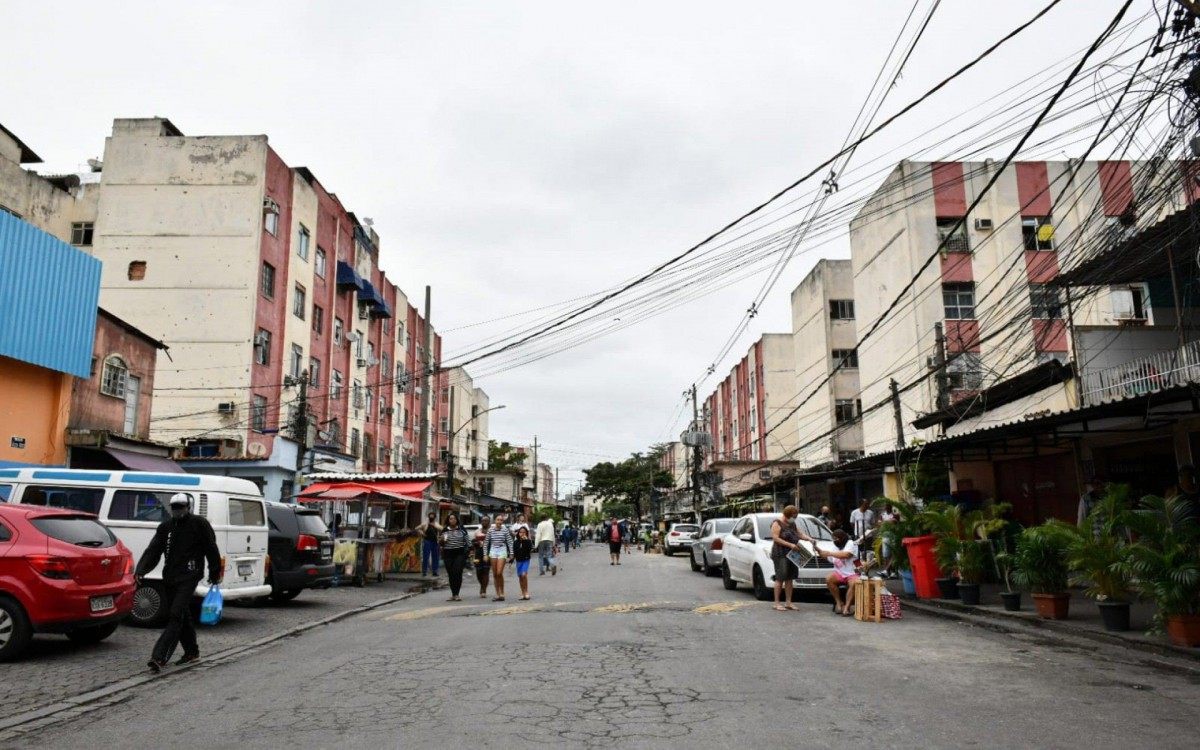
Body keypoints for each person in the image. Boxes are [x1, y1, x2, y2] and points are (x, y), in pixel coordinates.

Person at [135, 493, 221, 673]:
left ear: (188, 507)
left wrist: (215, 572)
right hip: (170, 577)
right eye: (174, 507)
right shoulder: (165, 527)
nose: (178, 511)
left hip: (190, 576)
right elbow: (153, 550)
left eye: (181, 507)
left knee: (175, 614)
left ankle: (159, 657)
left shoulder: (199, 524)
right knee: (182, 615)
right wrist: (141, 570)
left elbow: (211, 548)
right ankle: (192, 652)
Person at [769, 505, 818, 612]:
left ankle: (788, 602)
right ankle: (776, 603)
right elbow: (775, 538)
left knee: (790, 578)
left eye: (795, 516)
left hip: (793, 554)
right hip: (781, 553)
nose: (794, 518)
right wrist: (790, 545)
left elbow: (799, 534)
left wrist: (809, 539)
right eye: (793, 516)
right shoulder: (777, 523)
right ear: (787, 515)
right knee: (780, 577)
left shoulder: (792, 524)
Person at [819, 529, 860, 616]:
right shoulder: (834, 546)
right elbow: (830, 559)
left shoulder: (851, 543)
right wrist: (821, 553)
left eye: (837, 539)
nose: (835, 541)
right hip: (839, 573)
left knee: (854, 583)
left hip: (852, 573)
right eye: (834, 539)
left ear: (842, 538)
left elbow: (846, 555)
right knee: (829, 579)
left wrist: (829, 553)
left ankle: (847, 607)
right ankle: (839, 602)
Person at [440, 513, 470, 602]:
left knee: (457, 572)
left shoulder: (462, 529)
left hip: (459, 553)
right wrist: (441, 540)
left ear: (457, 520)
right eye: (450, 519)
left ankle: (457, 594)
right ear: (448, 520)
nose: (452, 520)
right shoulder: (445, 530)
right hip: (448, 554)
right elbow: (441, 543)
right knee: (451, 574)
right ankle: (453, 594)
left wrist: (470, 550)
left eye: (454, 519)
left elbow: (467, 540)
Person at [486, 515, 514, 601]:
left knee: (499, 573)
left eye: (501, 520)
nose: (499, 521)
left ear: (502, 522)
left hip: (502, 549)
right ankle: (497, 594)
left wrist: (511, 554)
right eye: (498, 520)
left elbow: (509, 541)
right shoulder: (490, 530)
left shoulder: (505, 530)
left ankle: (502, 592)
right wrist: (484, 554)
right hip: (493, 550)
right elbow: (486, 543)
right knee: (494, 574)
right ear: (495, 521)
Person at [472, 516, 492, 598]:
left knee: (486, 570)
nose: (484, 522)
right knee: (478, 571)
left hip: (488, 553)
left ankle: (483, 589)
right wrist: (476, 543)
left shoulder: (491, 531)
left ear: (489, 522)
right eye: (483, 520)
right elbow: (473, 542)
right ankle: (482, 585)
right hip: (478, 553)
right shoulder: (477, 531)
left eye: (486, 521)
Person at [513, 526, 534, 600]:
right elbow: (514, 552)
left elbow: (530, 549)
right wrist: (511, 559)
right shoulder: (515, 542)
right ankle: (522, 592)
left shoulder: (528, 541)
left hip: (526, 560)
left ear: (526, 533)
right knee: (520, 577)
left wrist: (526, 541)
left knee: (524, 574)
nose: (522, 533)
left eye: (524, 532)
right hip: (518, 561)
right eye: (520, 532)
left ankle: (526, 592)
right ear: (518, 533)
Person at [418, 512, 442, 577]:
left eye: (432, 516)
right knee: (425, 557)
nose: (431, 517)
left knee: (435, 557)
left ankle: (435, 571)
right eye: (430, 516)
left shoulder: (436, 524)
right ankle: (424, 571)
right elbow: (417, 528)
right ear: (429, 517)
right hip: (427, 541)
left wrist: (436, 527)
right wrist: (422, 533)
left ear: (434, 517)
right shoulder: (425, 523)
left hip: (435, 542)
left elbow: (442, 529)